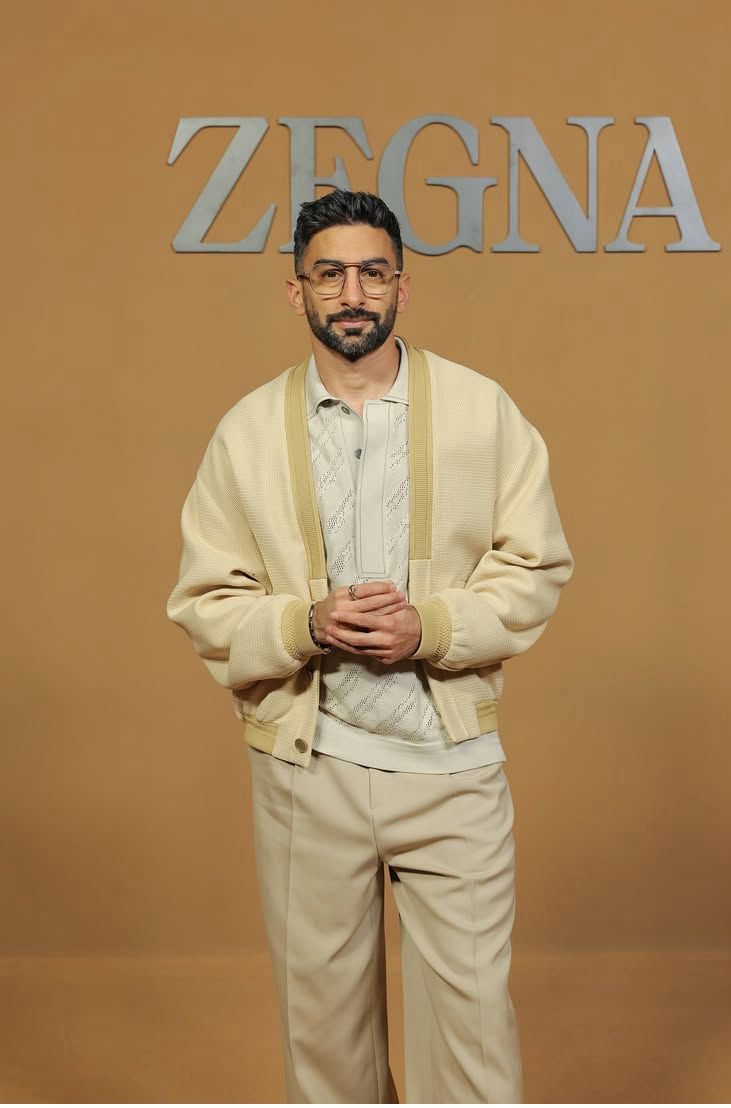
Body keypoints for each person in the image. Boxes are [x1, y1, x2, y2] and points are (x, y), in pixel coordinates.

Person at [166, 189, 574, 1104]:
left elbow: (538, 564)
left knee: (473, 1050)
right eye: (330, 275)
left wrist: (431, 627)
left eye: (373, 273)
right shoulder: (246, 432)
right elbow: (204, 599)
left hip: (452, 769)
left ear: (402, 287)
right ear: (296, 292)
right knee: (326, 1051)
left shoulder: (481, 411)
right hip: (308, 771)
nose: (353, 293)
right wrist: (303, 623)